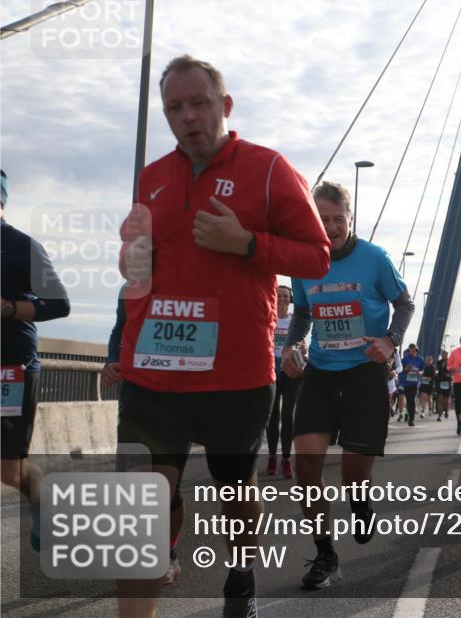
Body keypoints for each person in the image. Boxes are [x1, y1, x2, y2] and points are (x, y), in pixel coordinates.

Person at [115, 55, 331, 618]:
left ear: (225, 106)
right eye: (174, 108)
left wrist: (248, 244)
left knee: (235, 490)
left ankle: (240, 578)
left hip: (233, 375)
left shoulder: (268, 170)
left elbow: (317, 257)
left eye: (198, 103)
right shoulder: (152, 177)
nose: (187, 117)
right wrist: (130, 261)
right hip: (153, 370)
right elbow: (137, 271)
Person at [281, 181, 414, 590]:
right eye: (323, 219)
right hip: (321, 372)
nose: (332, 226)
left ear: (350, 219)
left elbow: (405, 303)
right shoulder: (305, 262)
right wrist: (291, 345)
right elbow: (301, 313)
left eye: (339, 219)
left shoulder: (374, 259)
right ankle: (326, 554)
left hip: (365, 373)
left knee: (354, 476)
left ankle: (360, 502)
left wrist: (390, 340)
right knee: (306, 467)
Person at [1, 170, 71, 553]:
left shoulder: (21, 246)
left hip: (11, 366)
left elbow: (60, 304)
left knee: (9, 470)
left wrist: (10, 308)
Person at [102, 285, 184, 585]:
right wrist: (111, 360)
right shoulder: (130, 289)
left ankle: (169, 551)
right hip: (136, 394)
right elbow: (119, 331)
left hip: (179, 397)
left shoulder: (192, 279)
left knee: (167, 488)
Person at [267, 284, 302, 478]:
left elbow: (301, 343)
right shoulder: (268, 318)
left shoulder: (295, 321)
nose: (281, 299)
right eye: (278, 295)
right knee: (272, 417)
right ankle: (272, 456)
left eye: (285, 296)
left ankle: (286, 459)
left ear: (291, 300)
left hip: (290, 370)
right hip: (270, 369)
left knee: (288, 416)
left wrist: (301, 349)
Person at [400, 344, 424, 427]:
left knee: (412, 399)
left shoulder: (420, 359)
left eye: (413, 350)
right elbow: (400, 369)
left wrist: (419, 373)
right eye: (410, 349)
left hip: (414, 382)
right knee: (408, 399)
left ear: (416, 350)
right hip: (407, 382)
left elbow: (422, 370)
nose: (412, 351)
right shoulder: (405, 358)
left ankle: (411, 419)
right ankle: (409, 414)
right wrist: (406, 369)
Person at [419, 355, 437, 420]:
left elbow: (435, 377)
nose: (427, 361)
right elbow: (420, 373)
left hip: (430, 385)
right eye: (426, 360)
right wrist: (420, 374)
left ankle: (430, 409)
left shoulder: (433, 368)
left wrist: (431, 378)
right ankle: (423, 411)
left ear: (431, 361)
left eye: (429, 360)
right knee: (423, 396)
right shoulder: (424, 367)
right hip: (424, 384)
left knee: (429, 398)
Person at [436, 350, 452, 421]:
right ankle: (440, 414)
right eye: (443, 355)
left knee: (446, 399)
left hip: (447, 382)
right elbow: (439, 370)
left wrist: (450, 375)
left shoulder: (450, 362)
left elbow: (451, 371)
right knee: (440, 398)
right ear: (441, 355)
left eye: (445, 355)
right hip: (440, 382)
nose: (444, 356)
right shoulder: (439, 362)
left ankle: (446, 410)